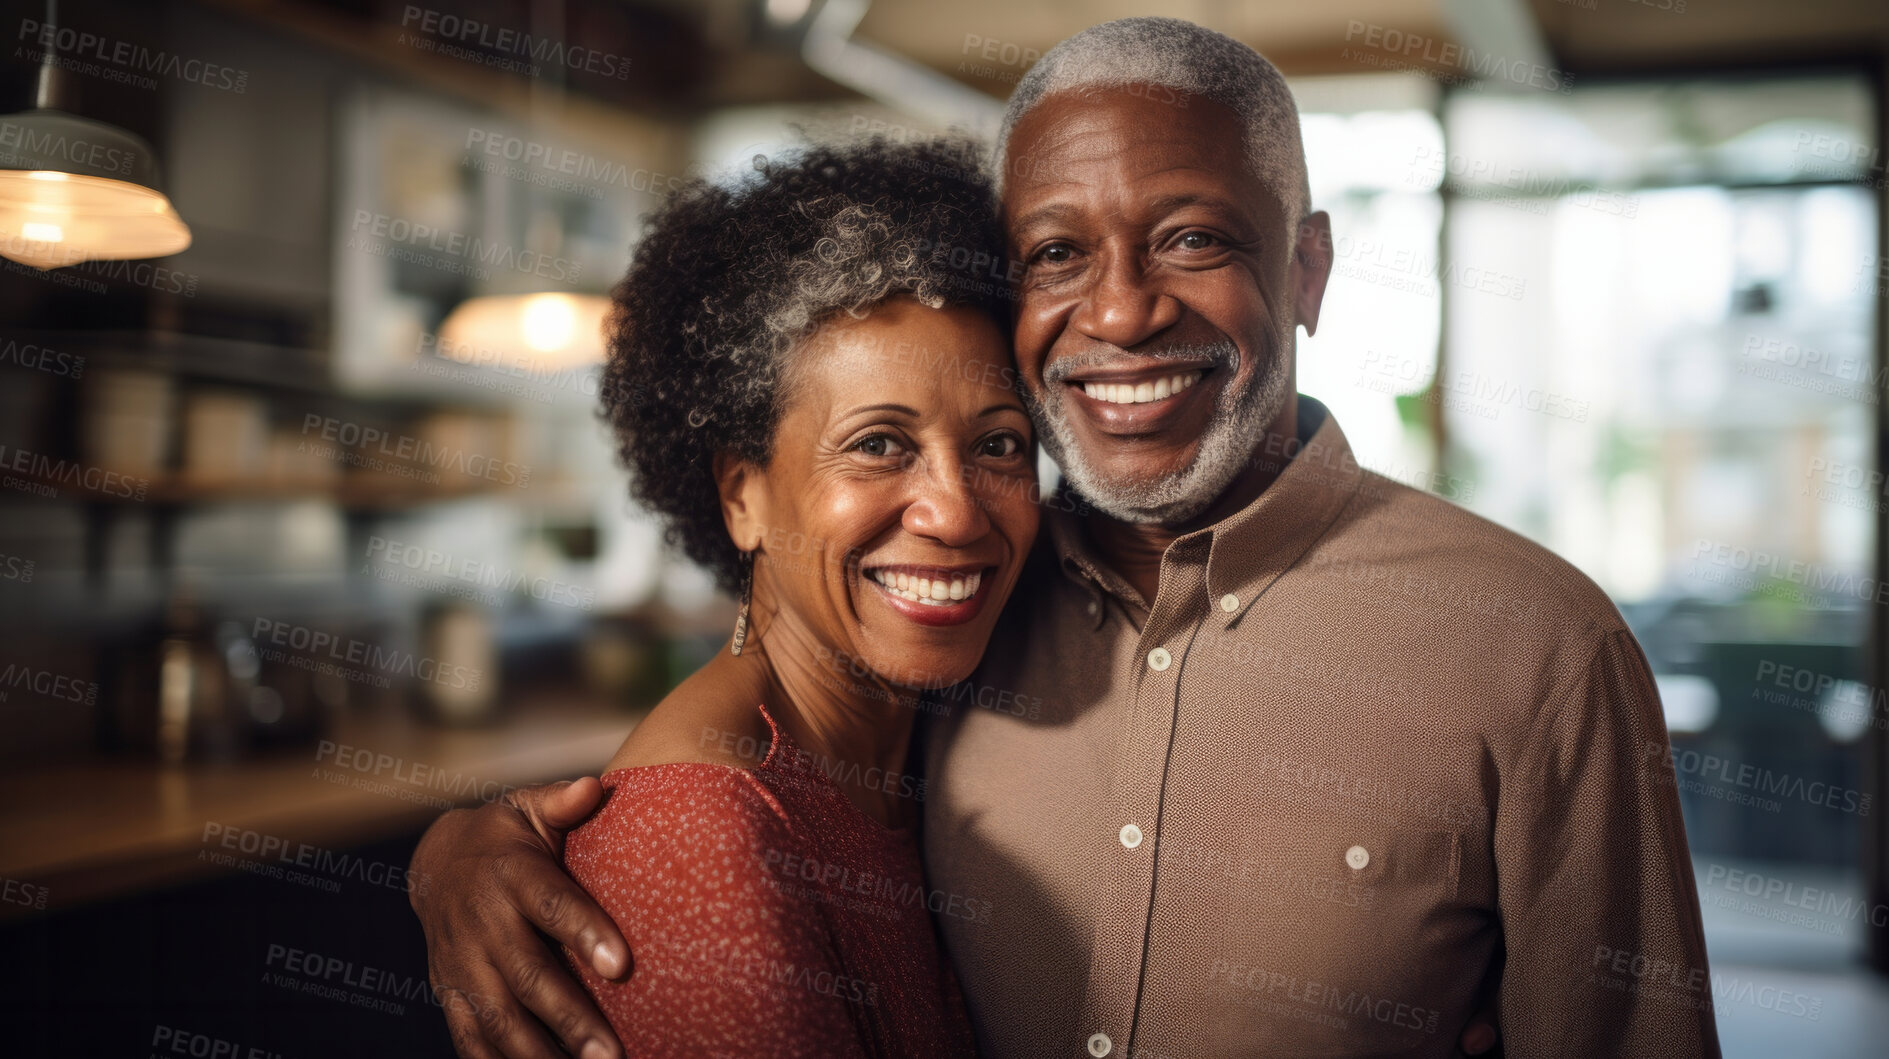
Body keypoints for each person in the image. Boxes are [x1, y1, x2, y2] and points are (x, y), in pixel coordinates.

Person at [409, 18, 1720, 1059]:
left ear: (1310, 269)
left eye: (1193, 237)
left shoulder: (1538, 647)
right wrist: (466, 846)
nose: (1125, 310)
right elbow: (749, 729)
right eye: (1054, 251)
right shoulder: (964, 603)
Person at [430, 138, 1035, 1057]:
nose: (954, 513)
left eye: (998, 445)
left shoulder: (914, 736)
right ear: (741, 493)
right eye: (877, 443)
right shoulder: (702, 845)